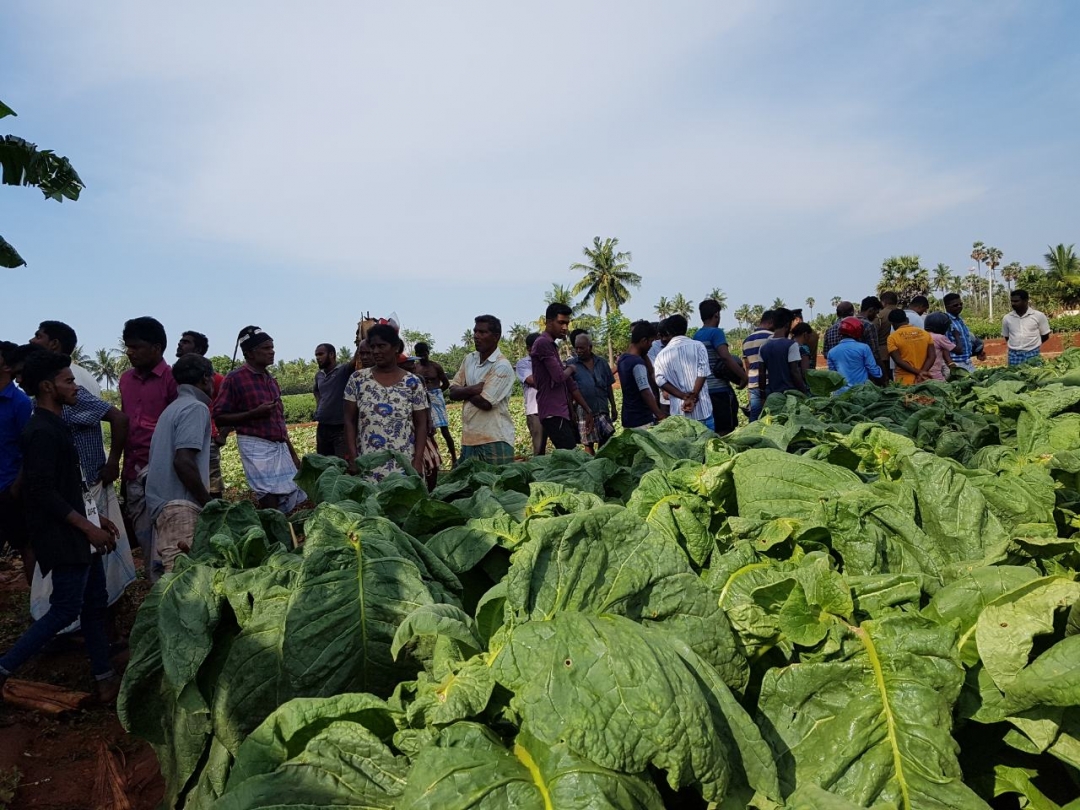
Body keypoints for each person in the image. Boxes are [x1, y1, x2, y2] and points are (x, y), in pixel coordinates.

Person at [0, 351, 121, 703]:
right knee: (66, 609)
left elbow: (67, 485)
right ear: (47, 386)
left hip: (79, 531)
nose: (74, 387)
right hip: (64, 536)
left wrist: (98, 520)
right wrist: (86, 528)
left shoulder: (55, 425)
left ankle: (104, 677)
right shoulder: (40, 432)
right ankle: (5, 668)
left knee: (93, 604)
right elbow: (41, 491)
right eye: (68, 381)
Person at [214, 326, 305, 512]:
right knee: (268, 495)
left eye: (272, 347)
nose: (272, 352)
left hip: (279, 445)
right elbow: (219, 417)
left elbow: (280, 424)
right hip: (255, 445)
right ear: (249, 353)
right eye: (266, 348)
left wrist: (293, 455)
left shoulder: (271, 380)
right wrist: (252, 414)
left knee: (290, 494)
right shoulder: (234, 379)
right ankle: (274, 531)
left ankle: (287, 532)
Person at [118, 317, 177, 576]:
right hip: (134, 468)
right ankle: (156, 585)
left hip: (164, 471)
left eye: (136, 347)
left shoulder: (172, 380)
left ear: (157, 347)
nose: (130, 352)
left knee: (168, 534)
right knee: (144, 533)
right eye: (127, 347)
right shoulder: (125, 380)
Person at [146, 354, 214, 573]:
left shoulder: (172, 408)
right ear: (205, 379)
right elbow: (183, 461)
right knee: (183, 582)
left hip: (164, 504)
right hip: (180, 506)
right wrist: (210, 504)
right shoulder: (195, 408)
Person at [342, 323, 429, 480]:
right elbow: (349, 420)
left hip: (404, 464)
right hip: (368, 464)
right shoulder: (358, 379)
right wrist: (354, 459)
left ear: (395, 347)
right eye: (373, 346)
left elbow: (422, 423)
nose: (376, 351)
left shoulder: (412, 382)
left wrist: (417, 460)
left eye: (381, 346)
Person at [448, 315, 517, 465]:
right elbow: (452, 392)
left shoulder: (501, 366)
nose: (476, 336)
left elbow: (485, 403)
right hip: (469, 438)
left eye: (482, 332)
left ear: (496, 337)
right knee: (470, 486)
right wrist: (474, 389)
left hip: (494, 438)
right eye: (475, 331)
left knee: (496, 484)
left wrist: (463, 391)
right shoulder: (469, 359)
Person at [530, 303, 593, 452]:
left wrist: (587, 409)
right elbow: (559, 377)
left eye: (567, 323)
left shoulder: (551, 346)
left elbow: (569, 384)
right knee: (571, 458)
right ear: (549, 322)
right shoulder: (542, 343)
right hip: (552, 412)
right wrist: (571, 368)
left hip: (561, 411)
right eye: (561, 322)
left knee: (570, 457)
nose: (565, 327)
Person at [177, 330, 226, 498]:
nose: (180, 344)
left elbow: (231, 405)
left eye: (185, 342)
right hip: (182, 436)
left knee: (212, 487)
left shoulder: (215, 379)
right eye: (181, 341)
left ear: (197, 350)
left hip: (208, 438)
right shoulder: (174, 376)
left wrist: (223, 434)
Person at [0, 342, 33, 580]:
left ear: (7, 366)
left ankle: (36, 605)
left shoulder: (20, 403)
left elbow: (29, 448)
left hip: (9, 487)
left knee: (25, 543)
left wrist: (17, 487)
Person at [694, 299, 746, 436]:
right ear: (716, 315)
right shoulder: (716, 333)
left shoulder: (696, 335)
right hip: (720, 390)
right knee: (726, 432)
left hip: (705, 391)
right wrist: (743, 377)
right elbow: (725, 357)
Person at [654, 314, 714, 429]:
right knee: (708, 445)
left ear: (669, 330)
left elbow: (660, 380)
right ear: (685, 328)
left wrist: (683, 396)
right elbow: (702, 372)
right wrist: (693, 396)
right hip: (703, 410)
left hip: (679, 415)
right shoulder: (698, 346)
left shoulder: (662, 355)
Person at [566, 332, 617, 452]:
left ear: (590, 347)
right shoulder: (572, 365)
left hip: (602, 407)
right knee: (587, 442)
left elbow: (608, 386)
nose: (578, 351)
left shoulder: (602, 363)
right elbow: (569, 391)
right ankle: (591, 464)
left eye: (581, 348)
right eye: (576, 348)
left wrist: (613, 406)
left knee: (607, 436)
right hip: (583, 410)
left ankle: (601, 460)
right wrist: (571, 410)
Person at [414, 342, 457, 467]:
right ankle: (430, 460)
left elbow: (446, 383)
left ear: (428, 353)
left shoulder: (436, 367)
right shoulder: (416, 368)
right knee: (426, 429)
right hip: (423, 400)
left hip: (437, 398)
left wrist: (437, 393)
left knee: (445, 430)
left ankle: (454, 459)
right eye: (419, 355)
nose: (422, 357)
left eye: (424, 354)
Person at [617, 320, 667, 428]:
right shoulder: (637, 363)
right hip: (641, 420)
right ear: (644, 340)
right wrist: (659, 414)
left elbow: (651, 371)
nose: (651, 346)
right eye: (651, 342)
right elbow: (645, 391)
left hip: (628, 417)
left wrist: (644, 354)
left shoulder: (623, 359)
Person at [32, 320, 100, 396]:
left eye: (38, 337)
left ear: (54, 344)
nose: (31, 340)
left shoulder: (62, 376)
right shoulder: (86, 376)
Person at [758, 308, 809, 400]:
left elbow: (761, 373)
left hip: (772, 394)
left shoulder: (763, 346)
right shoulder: (791, 345)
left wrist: (762, 393)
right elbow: (795, 372)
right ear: (787, 325)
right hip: (790, 394)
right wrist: (804, 392)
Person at [312, 343, 351, 459]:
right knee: (323, 463)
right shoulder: (319, 375)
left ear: (332, 354)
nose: (318, 358)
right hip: (323, 427)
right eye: (316, 355)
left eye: (321, 354)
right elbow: (316, 391)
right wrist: (319, 406)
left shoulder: (343, 371)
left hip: (340, 428)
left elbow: (356, 359)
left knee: (341, 464)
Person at [826, 318, 882, 394]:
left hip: (840, 395)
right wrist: (881, 374)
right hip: (860, 393)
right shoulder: (864, 348)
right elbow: (874, 370)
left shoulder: (831, 352)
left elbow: (832, 375)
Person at [742, 310, 776, 421]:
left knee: (755, 417)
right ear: (771, 322)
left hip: (753, 383)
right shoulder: (772, 337)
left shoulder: (747, 340)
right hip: (769, 382)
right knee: (773, 416)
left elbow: (747, 366)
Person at [887, 309, 936, 385]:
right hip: (923, 379)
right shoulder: (925, 333)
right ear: (907, 320)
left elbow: (898, 361)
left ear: (892, 324)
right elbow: (932, 356)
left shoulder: (892, 338)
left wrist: (919, 372)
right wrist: (922, 372)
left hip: (904, 381)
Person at [1002, 290, 1051, 366]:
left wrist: (1033, 346)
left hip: (1032, 354)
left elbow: (1045, 335)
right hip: (1014, 355)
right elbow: (1007, 337)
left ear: (1025, 301)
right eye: (1012, 301)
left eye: (1016, 301)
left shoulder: (1038, 316)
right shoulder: (1007, 318)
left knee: (1034, 376)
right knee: (1014, 376)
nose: (1013, 304)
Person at [515, 333, 544, 456]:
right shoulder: (523, 363)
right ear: (529, 349)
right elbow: (532, 381)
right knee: (539, 448)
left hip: (552, 408)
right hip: (535, 410)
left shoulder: (548, 360)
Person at [943, 293, 985, 372]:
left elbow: (966, 339)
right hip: (956, 363)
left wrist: (978, 352)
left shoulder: (959, 320)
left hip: (966, 361)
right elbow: (943, 345)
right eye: (955, 305)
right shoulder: (945, 321)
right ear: (947, 307)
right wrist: (950, 363)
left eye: (960, 304)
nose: (959, 306)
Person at [924, 313, 958, 381]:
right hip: (935, 375)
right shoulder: (940, 338)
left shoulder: (922, 335)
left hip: (922, 372)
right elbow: (959, 350)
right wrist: (957, 336)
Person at [875, 292, 899, 379]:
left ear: (883, 302)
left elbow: (874, 334)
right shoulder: (902, 313)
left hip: (883, 353)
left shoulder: (879, 316)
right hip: (900, 352)